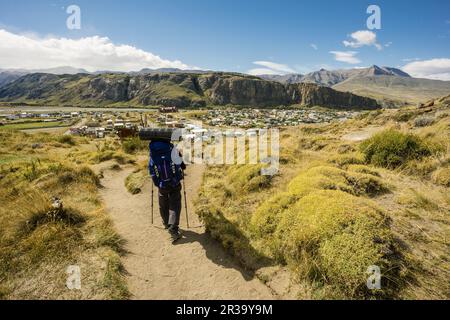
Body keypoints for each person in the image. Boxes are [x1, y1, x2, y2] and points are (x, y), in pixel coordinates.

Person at [149, 139, 186, 242]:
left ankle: (166, 223)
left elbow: (151, 169)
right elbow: (180, 164)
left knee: (163, 202)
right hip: (174, 183)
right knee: (175, 204)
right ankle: (173, 228)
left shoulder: (153, 152)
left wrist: (157, 183)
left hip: (162, 184)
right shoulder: (172, 149)